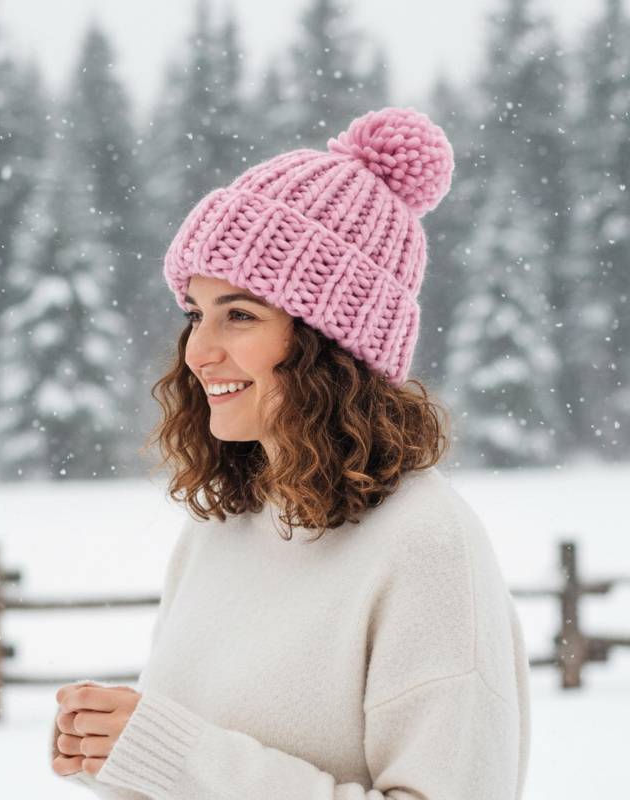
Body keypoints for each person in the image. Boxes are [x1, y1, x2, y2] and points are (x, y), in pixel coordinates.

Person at [49, 106, 531, 799]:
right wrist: (113, 753)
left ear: (330, 346)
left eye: (239, 314)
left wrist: (170, 755)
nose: (199, 349)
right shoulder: (225, 523)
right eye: (195, 311)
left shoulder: (426, 546)